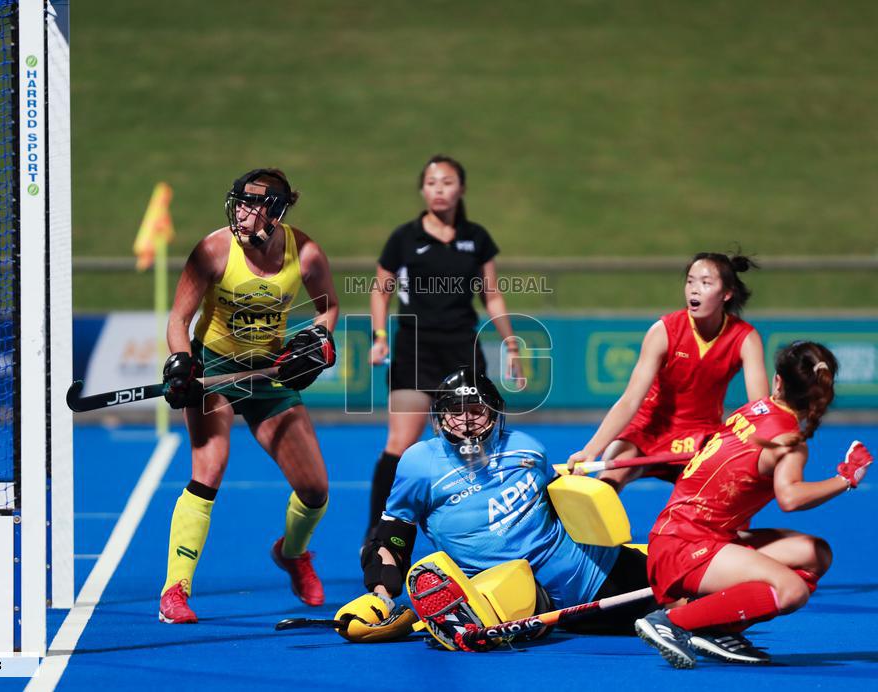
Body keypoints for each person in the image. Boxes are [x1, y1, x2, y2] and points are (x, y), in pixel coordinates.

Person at [348, 368, 655, 646]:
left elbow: (560, 505)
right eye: (456, 412)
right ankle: (476, 614)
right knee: (517, 601)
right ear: (440, 418)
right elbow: (392, 535)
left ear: (494, 414)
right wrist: (382, 596)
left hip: (597, 570)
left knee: (687, 592)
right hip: (518, 596)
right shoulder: (418, 465)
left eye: (477, 411)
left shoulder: (527, 448)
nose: (467, 421)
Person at [157, 168, 339, 623]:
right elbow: (179, 320)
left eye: (252, 204)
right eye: (239, 201)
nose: (241, 212)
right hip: (213, 368)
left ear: (275, 212)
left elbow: (329, 306)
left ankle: (292, 553)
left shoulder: (306, 253)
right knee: (209, 468)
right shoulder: (213, 251)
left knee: (315, 489)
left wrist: (319, 340)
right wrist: (181, 363)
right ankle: (174, 591)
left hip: (268, 372)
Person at [635, 341, 872, 668]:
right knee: (792, 591)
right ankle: (674, 622)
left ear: (778, 381)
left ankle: (714, 627)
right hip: (685, 547)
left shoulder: (752, 409)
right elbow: (789, 498)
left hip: (686, 533)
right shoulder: (789, 443)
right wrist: (845, 479)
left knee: (815, 553)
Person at [365, 154, 525, 543]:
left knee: (475, 439)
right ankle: (378, 533)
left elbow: (492, 296)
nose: (440, 189)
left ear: (461, 189)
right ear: (422, 189)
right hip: (414, 350)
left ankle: (482, 530)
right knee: (400, 444)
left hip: (462, 350)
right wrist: (379, 337)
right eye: (433, 182)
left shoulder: (477, 238)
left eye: (448, 182)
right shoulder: (404, 238)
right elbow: (380, 292)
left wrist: (511, 344)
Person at [568, 252, 769, 491]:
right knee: (606, 486)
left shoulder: (745, 338)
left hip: (701, 436)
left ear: (726, 293)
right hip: (648, 429)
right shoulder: (664, 331)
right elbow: (630, 400)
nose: (694, 289)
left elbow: (759, 408)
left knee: (713, 500)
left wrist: (764, 446)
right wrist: (591, 451)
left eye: (705, 283)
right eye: (690, 281)